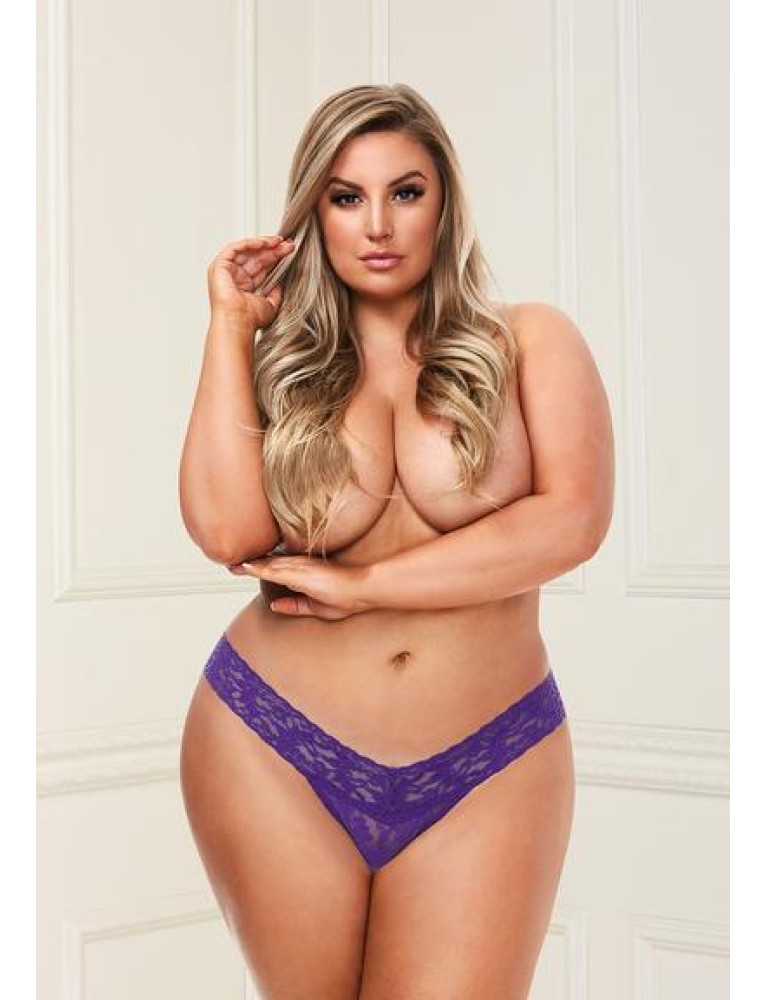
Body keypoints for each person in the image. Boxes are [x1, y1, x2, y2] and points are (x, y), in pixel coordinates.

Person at [178, 83, 614, 999]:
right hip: (275, 745)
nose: (377, 224)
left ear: (444, 203)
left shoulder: (528, 341)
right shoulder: (285, 369)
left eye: (405, 192)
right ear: (316, 214)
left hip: (489, 759)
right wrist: (229, 326)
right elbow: (226, 531)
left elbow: (572, 521)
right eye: (347, 197)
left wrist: (367, 585)